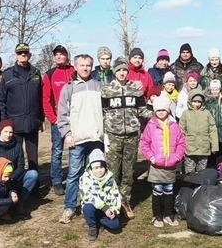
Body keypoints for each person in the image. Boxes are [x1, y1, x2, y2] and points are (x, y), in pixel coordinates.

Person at [101, 57, 152, 219]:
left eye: (124, 70)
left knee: (128, 172)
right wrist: (104, 134)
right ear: (114, 72)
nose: (122, 73)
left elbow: (143, 110)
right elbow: (102, 113)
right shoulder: (106, 90)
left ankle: (125, 201)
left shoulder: (135, 89)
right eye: (119, 70)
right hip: (113, 135)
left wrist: (158, 116)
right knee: (113, 171)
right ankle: (112, 202)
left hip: (131, 135)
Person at [57, 54, 104, 224]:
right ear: (75, 67)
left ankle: (97, 204)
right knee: (74, 174)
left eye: (88, 65)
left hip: (96, 138)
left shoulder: (99, 86)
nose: (85, 68)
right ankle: (69, 207)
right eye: (82, 65)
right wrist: (67, 134)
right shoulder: (68, 88)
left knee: (98, 173)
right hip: (77, 139)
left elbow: (106, 112)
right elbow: (61, 115)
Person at [0, 43, 44, 178]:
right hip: (14, 124)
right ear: (16, 55)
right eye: (20, 53)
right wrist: (4, 122)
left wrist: (41, 118)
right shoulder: (7, 75)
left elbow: (40, 97)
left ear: (29, 55)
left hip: (32, 122)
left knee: (33, 158)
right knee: (16, 157)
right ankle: (16, 186)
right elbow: (1, 100)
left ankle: (34, 188)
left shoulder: (36, 73)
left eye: (25, 53)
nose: (23, 55)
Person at [140, 96, 186, 227]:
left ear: (168, 110)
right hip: (156, 165)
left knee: (169, 191)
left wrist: (177, 157)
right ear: (155, 111)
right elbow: (145, 143)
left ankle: (168, 215)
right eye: (158, 110)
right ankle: (157, 216)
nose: (161, 112)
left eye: (163, 110)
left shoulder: (174, 125)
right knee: (157, 191)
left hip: (170, 165)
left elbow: (181, 143)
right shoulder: (151, 125)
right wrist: (152, 157)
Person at [0, 119, 38, 217]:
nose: (8, 134)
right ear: (0, 131)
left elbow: (21, 166)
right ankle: (5, 204)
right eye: (6, 131)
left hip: (13, 178)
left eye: (11, 132)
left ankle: (20, 202)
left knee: (33, 174)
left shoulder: (17, 146)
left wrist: (10, 178)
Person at [42, 44, 75, 196]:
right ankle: (56, 181)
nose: (59, 57)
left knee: (74, 150)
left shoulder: (75, 71)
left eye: (62, 54)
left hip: (74, 120)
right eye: (56, 55)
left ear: (67, 56)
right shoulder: (49, 74)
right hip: (58, 121)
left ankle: (74, 178)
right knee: (57, 151)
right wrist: (53, 119)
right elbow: (46, 99)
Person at [79, 149, 121, 241]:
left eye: (101, 167)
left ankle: (100, 221)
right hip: (94, 207)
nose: (99, 170)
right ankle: (93, 227)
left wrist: (114, 209)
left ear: (105, 167)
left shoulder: (110, 178)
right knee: (87, 207)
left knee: (115, 225)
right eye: (96, 168)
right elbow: (87, 196)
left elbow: (116, 195)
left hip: (107, 209)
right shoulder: (85, 178)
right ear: (91, 168)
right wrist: (104, 207)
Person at [179, 88, 218, 173]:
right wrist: (181, 147)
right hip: (190, 149)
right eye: (194, 101)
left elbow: (212, 129)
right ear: (190, 101)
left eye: (199, 102)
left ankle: (200, 186)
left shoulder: (207, 113)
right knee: (190, 172)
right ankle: (190, 186)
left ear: (202, 102)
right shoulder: (185, 114)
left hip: (203, 148)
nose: (196, 104)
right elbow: (181, 131)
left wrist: (214, 146)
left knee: (202, 173)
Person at [204, 79, 222, 167]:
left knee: (220, 153)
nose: (215, 91)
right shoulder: (208, 103)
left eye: (216, 89)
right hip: (212, 132)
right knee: (211, 153)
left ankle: (219, 170)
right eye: (213, 89)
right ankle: (210, 170)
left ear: (220, 89)